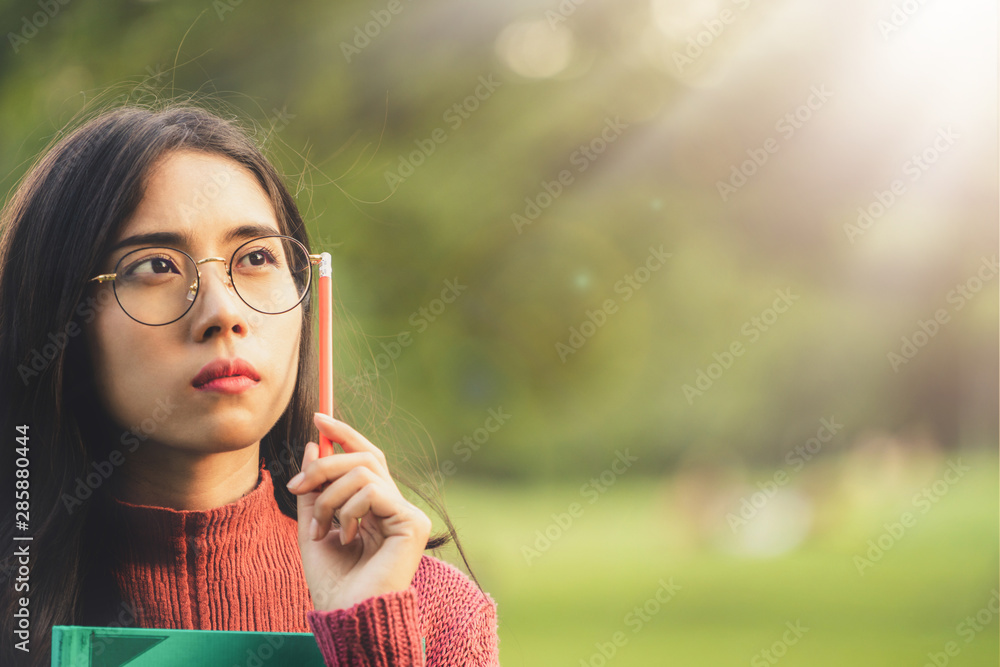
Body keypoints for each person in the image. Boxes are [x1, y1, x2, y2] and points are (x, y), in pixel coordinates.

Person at [0, 102, 499, 666]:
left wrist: (368, 635)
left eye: (257, 257)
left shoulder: (428, 609)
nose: (222, 311)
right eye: (156, 266)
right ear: (62, 318)